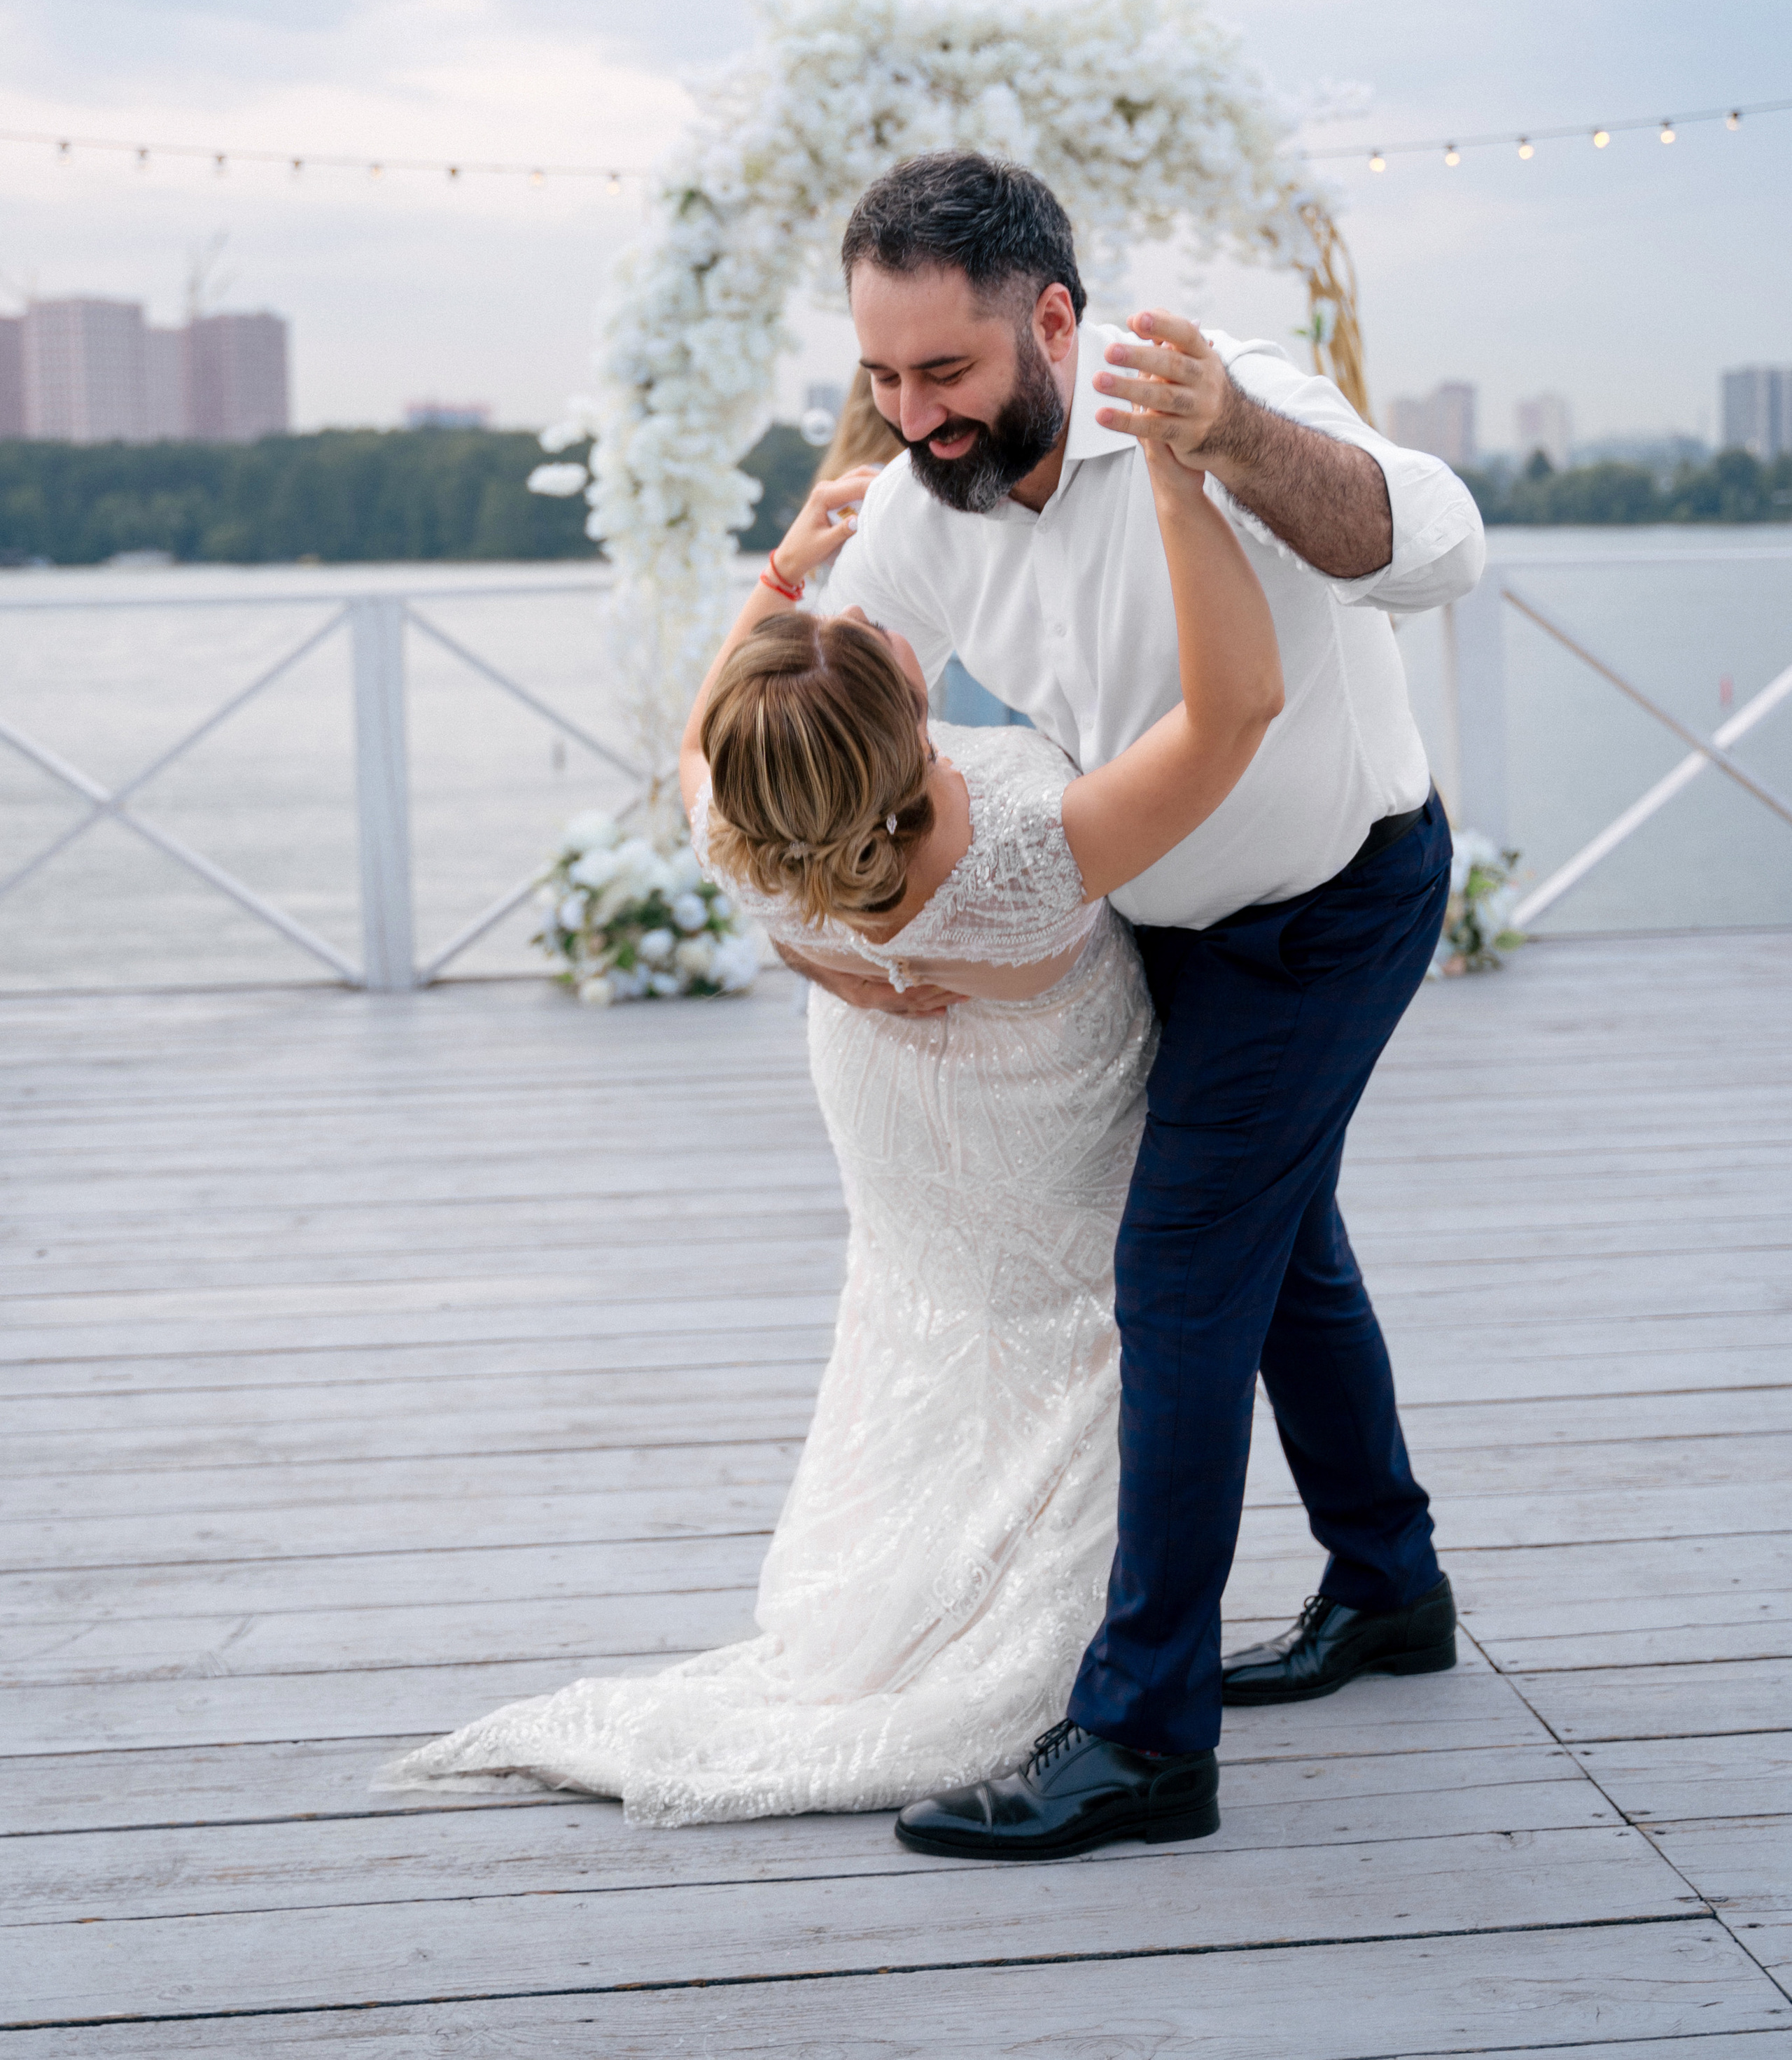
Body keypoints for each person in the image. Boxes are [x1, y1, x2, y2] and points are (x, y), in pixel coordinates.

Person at [384, 318, 1282, 1828]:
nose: (880, 622)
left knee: (928, 1308)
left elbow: (702, 734)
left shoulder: (750, 839)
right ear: (909, 722)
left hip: (891, 1108)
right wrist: (1186, 487)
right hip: (1044, 1119)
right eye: (873, 645)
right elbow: (1231, 715)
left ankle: (921, 1577)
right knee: (1066, 1328)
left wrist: (784, 574)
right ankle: (1030, 1618)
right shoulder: (1020, 853)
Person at [813, 150, 1483, 1865]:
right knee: (1279, 1250)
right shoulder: (914, 495)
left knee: (1181, 1267)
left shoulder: (1216, 389)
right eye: (880, 378)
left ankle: (1137, 1741)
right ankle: (1388, 1585)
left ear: (1052, 318)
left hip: (1337, 900)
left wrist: (1234, 443)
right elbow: (827, 705)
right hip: (1154, 927)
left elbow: (1439, 552)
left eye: (944, 372)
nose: (912, 416)